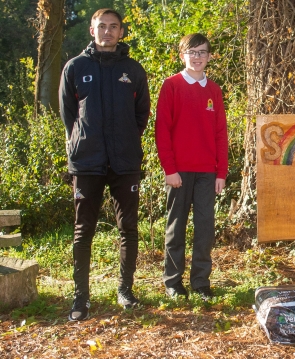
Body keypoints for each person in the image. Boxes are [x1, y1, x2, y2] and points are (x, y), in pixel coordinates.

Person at [59, 8, 150, 321]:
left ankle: (125, 290)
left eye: (114, 27)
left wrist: (124, 139)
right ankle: (80, 298)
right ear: (91, 30)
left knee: (128, 228)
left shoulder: (133, 70)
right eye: (102, 27)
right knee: (83, 231)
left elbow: (141, 115)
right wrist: (83, 141)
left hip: (125, 163)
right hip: (87, 162)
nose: (108, 32)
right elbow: (69, 114)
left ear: (121, 32)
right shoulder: (75, 67)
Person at [155, 33, 229, 301]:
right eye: (192, 52)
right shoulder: (171, 86)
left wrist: (221, 172)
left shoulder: (214, 90)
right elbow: (162, 130)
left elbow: (221, 133)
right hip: (179, 172)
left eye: (202, 52)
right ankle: (173, 282)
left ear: (210, 57)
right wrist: (169, 169)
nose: (197, 57)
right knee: (176, 227)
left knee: (205, 227)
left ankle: (200, 283)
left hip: (207, 172)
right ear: (182, 55)